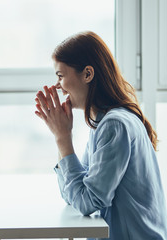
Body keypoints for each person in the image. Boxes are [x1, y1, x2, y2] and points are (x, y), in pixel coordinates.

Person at [35, 31, 167, 240]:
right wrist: (60, 137)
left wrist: (63, 138)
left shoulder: (115, 125)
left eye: (60, 76)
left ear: (87, 74)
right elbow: (73, 195)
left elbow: (87, 203)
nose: (58, 86)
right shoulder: (102, 124)